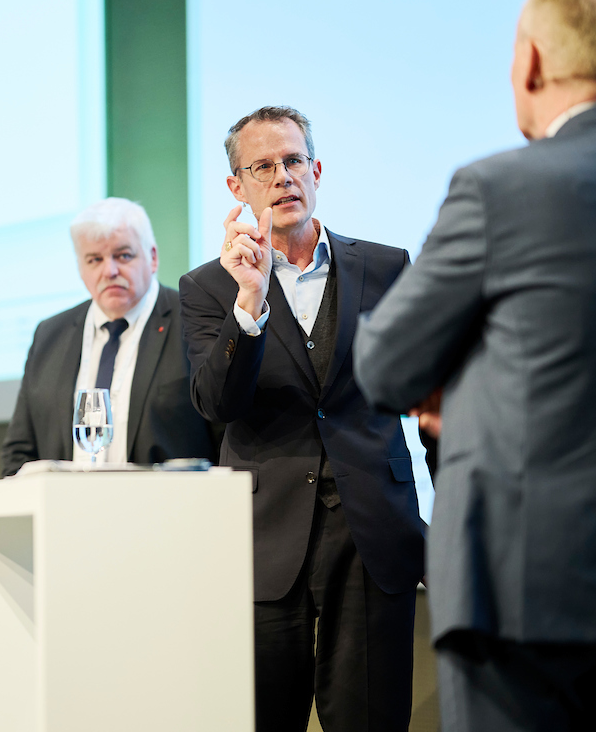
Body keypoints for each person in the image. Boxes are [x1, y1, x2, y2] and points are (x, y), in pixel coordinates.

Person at [354, 0, 596, 731]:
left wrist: (455, 388)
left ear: (530, 63)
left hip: (518, 590)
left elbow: (387, 366)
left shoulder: (498, 189)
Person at [179, 108, 425, 732]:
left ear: (316, 170)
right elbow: (216, 404)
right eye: (262, 167)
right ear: (237, 187)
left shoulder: (387, 266)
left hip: (372, 529)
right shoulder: (209, 288)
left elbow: (422, 386)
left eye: (292, 162)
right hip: (264, 536)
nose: (282, 177)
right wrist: (249, 304)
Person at [1, 197, 217, 474]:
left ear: (152, 257)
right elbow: (19, 452)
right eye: (94, 259)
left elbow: (225, 434)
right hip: (66, 510)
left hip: (168, 509)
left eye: (123, 255)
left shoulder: (193, 318)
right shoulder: (49, 334)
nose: (110, 271)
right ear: (81, 268)